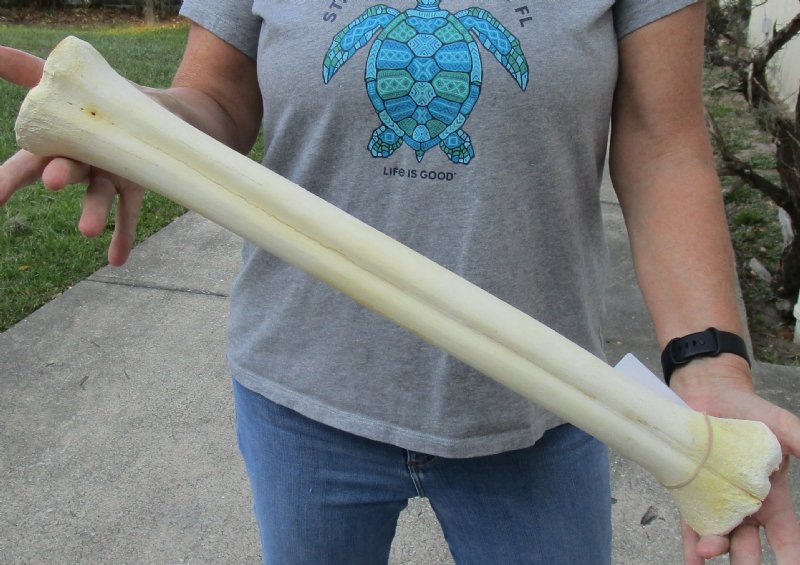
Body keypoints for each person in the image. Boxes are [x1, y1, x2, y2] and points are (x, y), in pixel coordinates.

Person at [1, 1, 799, 563]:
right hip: (302, 393)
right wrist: (135, 129)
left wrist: (709, 363)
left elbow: (663, 141)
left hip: (544, 408)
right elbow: (217, 96)